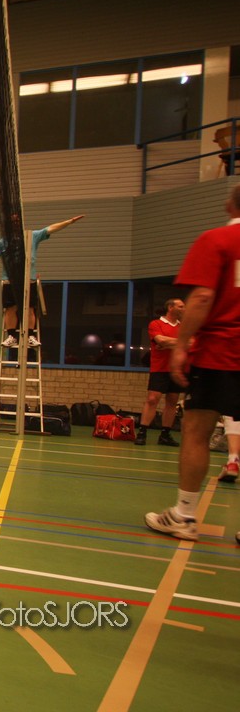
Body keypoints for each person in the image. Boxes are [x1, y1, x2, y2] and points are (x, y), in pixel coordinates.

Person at [144, 183, 240, 543]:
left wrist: (182, 345)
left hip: (221, 352)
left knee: (197, 431)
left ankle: (184, 516)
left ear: (229, 205)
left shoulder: (217, 240)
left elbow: (201, 297)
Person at [0, 214, 83, 348]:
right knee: (10, 308)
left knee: (30, 308)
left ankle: (30, 336)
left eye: (17, 220)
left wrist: (69, 221)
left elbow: (50, 228)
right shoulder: (5, 241)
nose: (15, 223)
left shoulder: (32, 236)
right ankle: (12, 336)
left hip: (29, 279)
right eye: (12, 221)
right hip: (10, 280)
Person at [135, 297, 185, 447]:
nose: (184, 309)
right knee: (152, 399)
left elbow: (191, 343)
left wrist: (168, 344)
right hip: (159, 368)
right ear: (170, 308)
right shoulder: (156, 324)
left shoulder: (183, 327)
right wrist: (177, 343)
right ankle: (142, 432)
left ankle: (165, 435)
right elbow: (160, 341)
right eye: (181, 306)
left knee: (172, 401)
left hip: (177, 369)